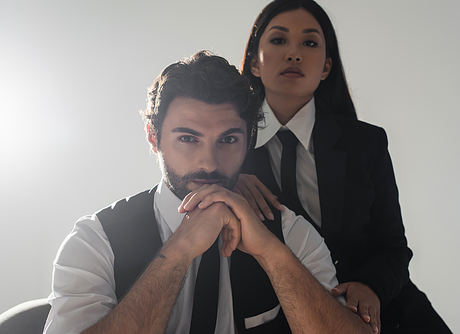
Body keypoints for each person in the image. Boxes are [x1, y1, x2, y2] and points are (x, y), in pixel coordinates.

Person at [43, 51, 372, 334]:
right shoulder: (96, 239)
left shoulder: (289, 233)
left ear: (249, 140)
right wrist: (180, 248)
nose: (209, 162)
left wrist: (273, 256)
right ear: (153, 137)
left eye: (228, 140)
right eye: (188, 138)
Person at [236, 1, 452, 333]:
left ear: (326, 68)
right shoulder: (229, 148)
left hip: (388, 318)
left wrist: (370, 285)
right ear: (254, 63)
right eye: (279, 40)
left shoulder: (367, 143)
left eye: (309, 43)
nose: (294, 54)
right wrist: (229, 186)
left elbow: (393, 249)